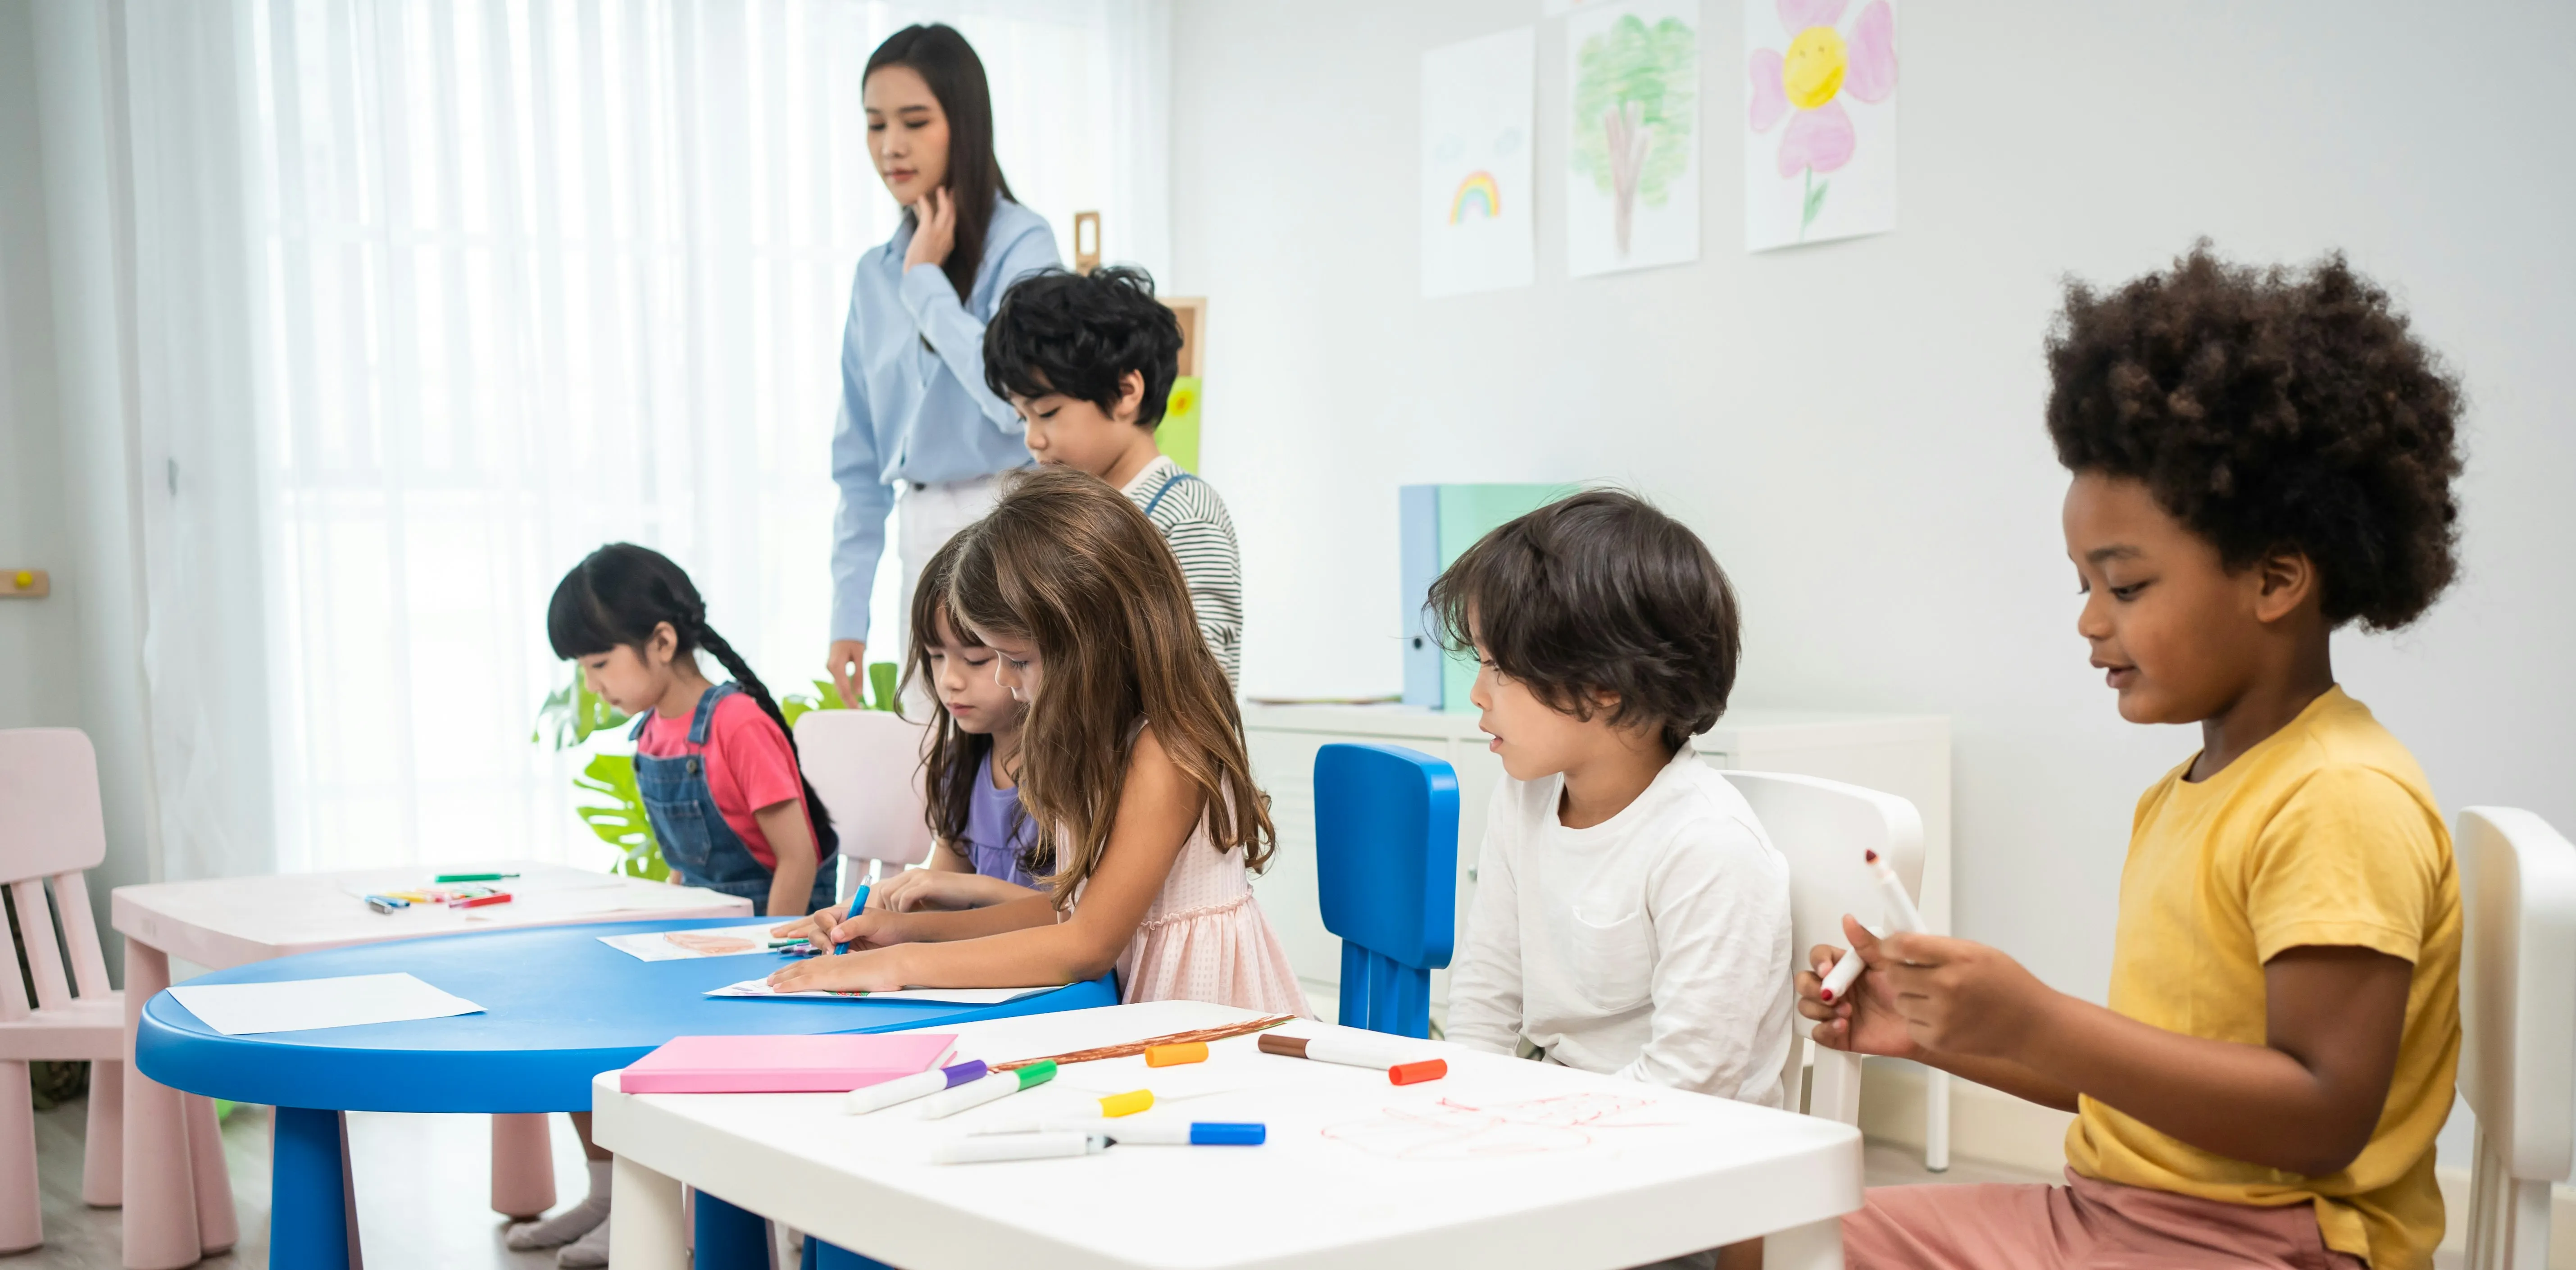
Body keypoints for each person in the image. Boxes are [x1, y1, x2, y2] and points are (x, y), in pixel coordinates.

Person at [1801, 244, 2466, 1270]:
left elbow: (2324, 1110)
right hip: (2112, 1214)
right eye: (2084, 582)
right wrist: (1944, 1030)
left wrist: (2042, 1017)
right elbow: (2157, 1081)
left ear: (2278, 576)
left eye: (2126, 585)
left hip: (2271, 1245)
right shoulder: (2186, 793)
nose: (2087, 621)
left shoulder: (2339, 795)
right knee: (1765, 1240)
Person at [772, 469, 1306, 1015]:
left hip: (1208, 1025)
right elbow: (1068, 913)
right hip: (1139, 1014)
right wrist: (907, 932)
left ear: (1092, 642)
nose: (1005, 678)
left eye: (1017, 659)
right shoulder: (1091, 739)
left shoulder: (1166, 751)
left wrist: (898, 964)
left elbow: (1087, 945)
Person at [537, 543, 837, 1267]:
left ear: (662, 642)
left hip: (778, 939)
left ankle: (653, 1204)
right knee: (573, 1014)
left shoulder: (734, 723)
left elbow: (796, 855)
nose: (593, 683)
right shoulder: (652, 731)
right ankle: (610, 1191)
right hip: (707, 934)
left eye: (600, 663)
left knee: (619, 1032)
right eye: (582, 669)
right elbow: (689, 865)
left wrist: (772, 955)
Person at [826, 23, 1060, 709]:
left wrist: (926, 284)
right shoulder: (874, 275)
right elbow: (859, 466)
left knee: (1027, 748)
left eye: (913, 121)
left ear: (963, 121)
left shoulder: (1024, 244)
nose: (890, 146)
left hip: (1014, 515)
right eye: (874, 125)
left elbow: (1017, 396)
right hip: (920, 529)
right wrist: (848, 614)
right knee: (934, 756)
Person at [985, 265, 1243, 685]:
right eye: (1022, 418)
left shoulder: (1186, 514)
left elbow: (1202, 682)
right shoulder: (1065, 519)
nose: (1033, 439)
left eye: (1048, 412)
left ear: (1126, 392)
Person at [872, 533, 1047, 912]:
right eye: (936, 656)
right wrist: (878, 915)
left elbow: (1077, 919)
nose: (949, 680)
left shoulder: (1069, 776)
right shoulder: (961, 769)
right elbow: (938, 901)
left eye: (975, 659)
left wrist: (974, 889)